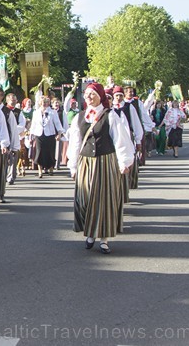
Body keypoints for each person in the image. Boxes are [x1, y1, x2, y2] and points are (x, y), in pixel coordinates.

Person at [67, 82, 135, 254]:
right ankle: (90, 233)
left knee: (103, 201)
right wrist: (73, 165)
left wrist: (124, 162)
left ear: (100, 97)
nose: (89, 97)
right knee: (84, 199)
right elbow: (75, 143)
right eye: (87, 94)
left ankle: (103, 239)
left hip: (105, 162)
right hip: (85, 162)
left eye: (93, 94)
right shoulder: (79, 117)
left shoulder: (110, 116)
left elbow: (120, 139)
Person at [0, 86, 20, 203]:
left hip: (4, 145)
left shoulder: (7, 112)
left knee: (2, 170)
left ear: (2, 97)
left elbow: (13, 130)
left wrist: (14, 147)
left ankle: (0, 192)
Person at [29, 95, 64, 178]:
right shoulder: (36, 112)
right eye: (42, 102)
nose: (44, 104)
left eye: (46, 102)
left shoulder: (53, 112)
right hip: (39, 135)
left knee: (50, 152)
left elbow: (57, 123)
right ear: (40, 103)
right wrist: (31, 135)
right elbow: (33, 124)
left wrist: (59, 133)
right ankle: (40, 171)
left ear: (48, 103)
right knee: (39, 151)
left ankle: (51, 168)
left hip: (50, 135)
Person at [4, 92, 25, 188]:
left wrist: (14, 129)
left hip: (15, 135)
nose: (13, 101)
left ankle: (11, 176)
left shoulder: (18, 112)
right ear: (7, 100)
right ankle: (4, 175)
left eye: (14, 99)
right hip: (5, 135)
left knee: (13, 156)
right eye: (11, 99)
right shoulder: (3, 110)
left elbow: (22, 123)